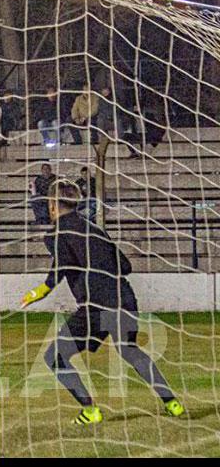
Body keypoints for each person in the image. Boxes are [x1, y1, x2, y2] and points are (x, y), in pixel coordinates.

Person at [19, 179, 185, 425]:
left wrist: (42, 289)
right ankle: (172, 403)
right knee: (129, 350)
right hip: (125, 299)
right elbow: (125, 266)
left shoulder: (55, 233)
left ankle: (90, 410)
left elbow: (63, 264)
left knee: (55, 357)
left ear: (53, 205)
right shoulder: (97, 229)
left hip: (95, 306)